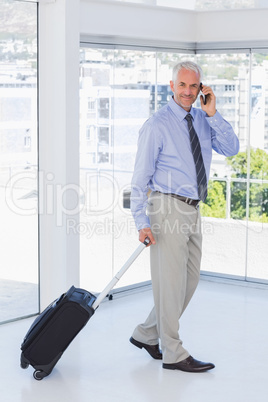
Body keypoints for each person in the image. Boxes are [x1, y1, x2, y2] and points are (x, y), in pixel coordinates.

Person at [129, 60, 239, 372]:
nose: (188, 92)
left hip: (192, 207)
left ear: (201, 88)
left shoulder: (204, 119)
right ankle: (173, 352)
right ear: (171, 86)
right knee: (170, 282)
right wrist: (142, 223)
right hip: (166, 207)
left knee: (188, 280)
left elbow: (231, 148)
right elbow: (139, 181)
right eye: (182, 85)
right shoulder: (157, 125)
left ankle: (147, 333)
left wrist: (213, 113)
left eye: (194, 86)